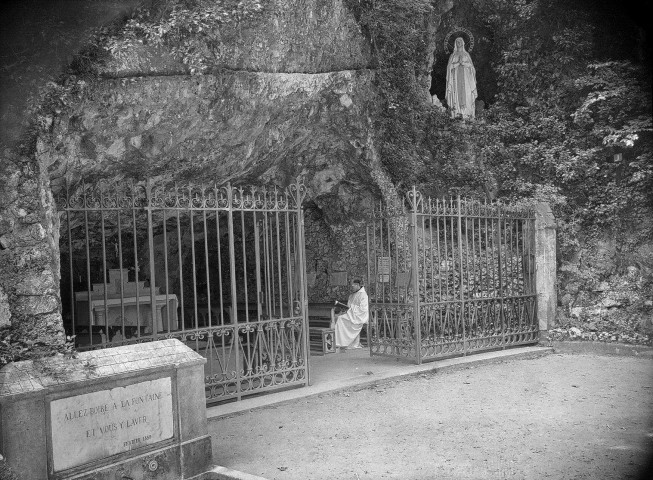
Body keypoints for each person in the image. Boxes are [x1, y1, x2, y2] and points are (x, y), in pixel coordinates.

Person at [445, 37, 477, 119]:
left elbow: (472, 68)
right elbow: (449, 68)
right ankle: (456, 113)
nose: (459, 43)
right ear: (455, 44)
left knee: (468, 94)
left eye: (460, 41)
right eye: (457, 41)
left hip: (466, 79)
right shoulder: (453, 55)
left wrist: (464, 63)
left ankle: (467, 114)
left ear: (463, 43)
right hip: (455, 78)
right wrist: (456, 64)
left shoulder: (466, 55)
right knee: (455, 94)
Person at [332, 279, 369, 350]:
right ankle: (342, 342)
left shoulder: (364, 295)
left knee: (340, 319)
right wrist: (345, 308)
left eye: (353, 286)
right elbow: (348, 306)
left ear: (358, 285)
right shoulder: (352, 295)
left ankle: (346, 343)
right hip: (351, 315)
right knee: (337, 318)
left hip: (358, 316)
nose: (352, 288)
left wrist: (351, 309)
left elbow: (363, 309)